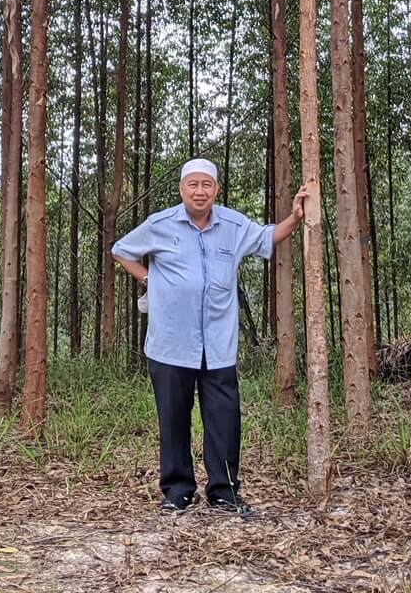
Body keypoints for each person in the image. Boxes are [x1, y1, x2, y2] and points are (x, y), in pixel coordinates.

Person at [111, 158, 309, 516]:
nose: (200, 191)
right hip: (171, 343)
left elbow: (267, 236)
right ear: (182, 189)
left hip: (217, 344)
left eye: (207, 185)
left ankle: (224, 492)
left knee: (224, 419)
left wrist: (295, 217)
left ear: (216, 190)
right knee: (173, 418)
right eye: (193, 185)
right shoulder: (160, 225)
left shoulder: (232, 225)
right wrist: (149, 280)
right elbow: (121, 250)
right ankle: (177, 490)